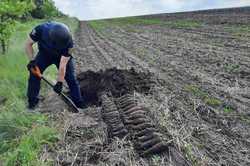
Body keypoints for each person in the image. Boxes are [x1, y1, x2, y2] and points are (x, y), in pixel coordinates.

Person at [25, 21, 85, 109]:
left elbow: (63, 65)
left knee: (71, 78)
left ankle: (79, 102)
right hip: (44, 54)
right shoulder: (40, 29)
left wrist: (60, 82)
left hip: (61, 56)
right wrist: (32, 61)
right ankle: (32, 103)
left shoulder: (71, 45)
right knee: (34, 74)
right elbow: (28, 44)